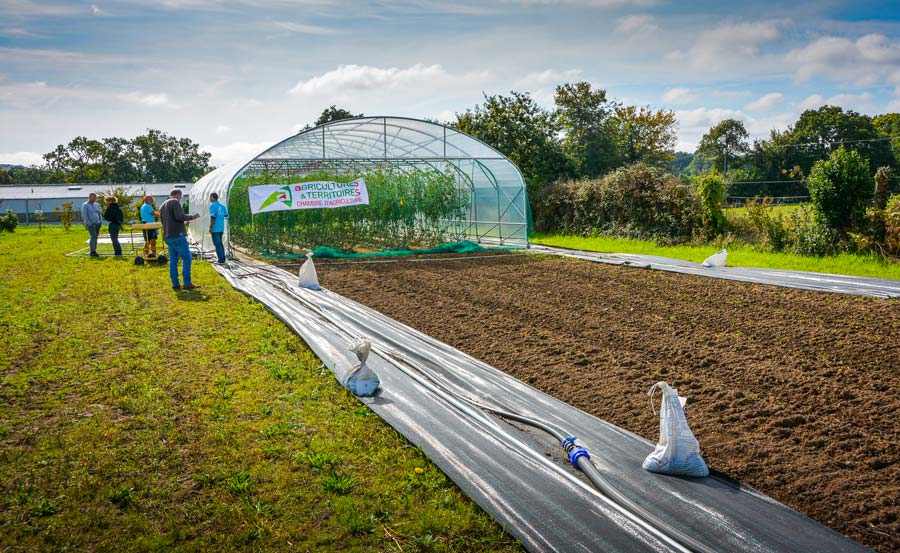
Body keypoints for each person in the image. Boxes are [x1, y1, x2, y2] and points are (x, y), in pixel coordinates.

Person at [159, 189, 200, 291]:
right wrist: (192, 217)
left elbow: (171, 220)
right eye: (181, 197)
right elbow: (179, 216)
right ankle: (187, 282)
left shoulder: (163, 205)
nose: (180, 199)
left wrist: (183, 223)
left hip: (168, 236)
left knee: (173, 260)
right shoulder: (174, 202)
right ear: (178, 195)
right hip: (177, 235)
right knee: (187, 258)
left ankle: (175, 284)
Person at [208, 192, 228, 264]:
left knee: (217, 244)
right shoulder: (222, 206)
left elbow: (213, 217)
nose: (210, 199)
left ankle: (221, 260)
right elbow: (226, 216)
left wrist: (211, 227)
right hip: (221, 228)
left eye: (210, 197)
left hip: (215, 228)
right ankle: (222, 258)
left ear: (213, 197)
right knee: (220, 243)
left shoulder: (213, 206)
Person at [80, 193, 102, 257]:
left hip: (97, 224)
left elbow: (99, 213)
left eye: (95, 198)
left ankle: (94, 250)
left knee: (96, 237)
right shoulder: (85, 205)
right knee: (93, 236)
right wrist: (88, 223)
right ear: (90, 197)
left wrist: (100, 221)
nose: (95, 199)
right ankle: (92, 251)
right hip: (91, 224)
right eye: (93, 197)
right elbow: (84, 215)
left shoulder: (96, 205)